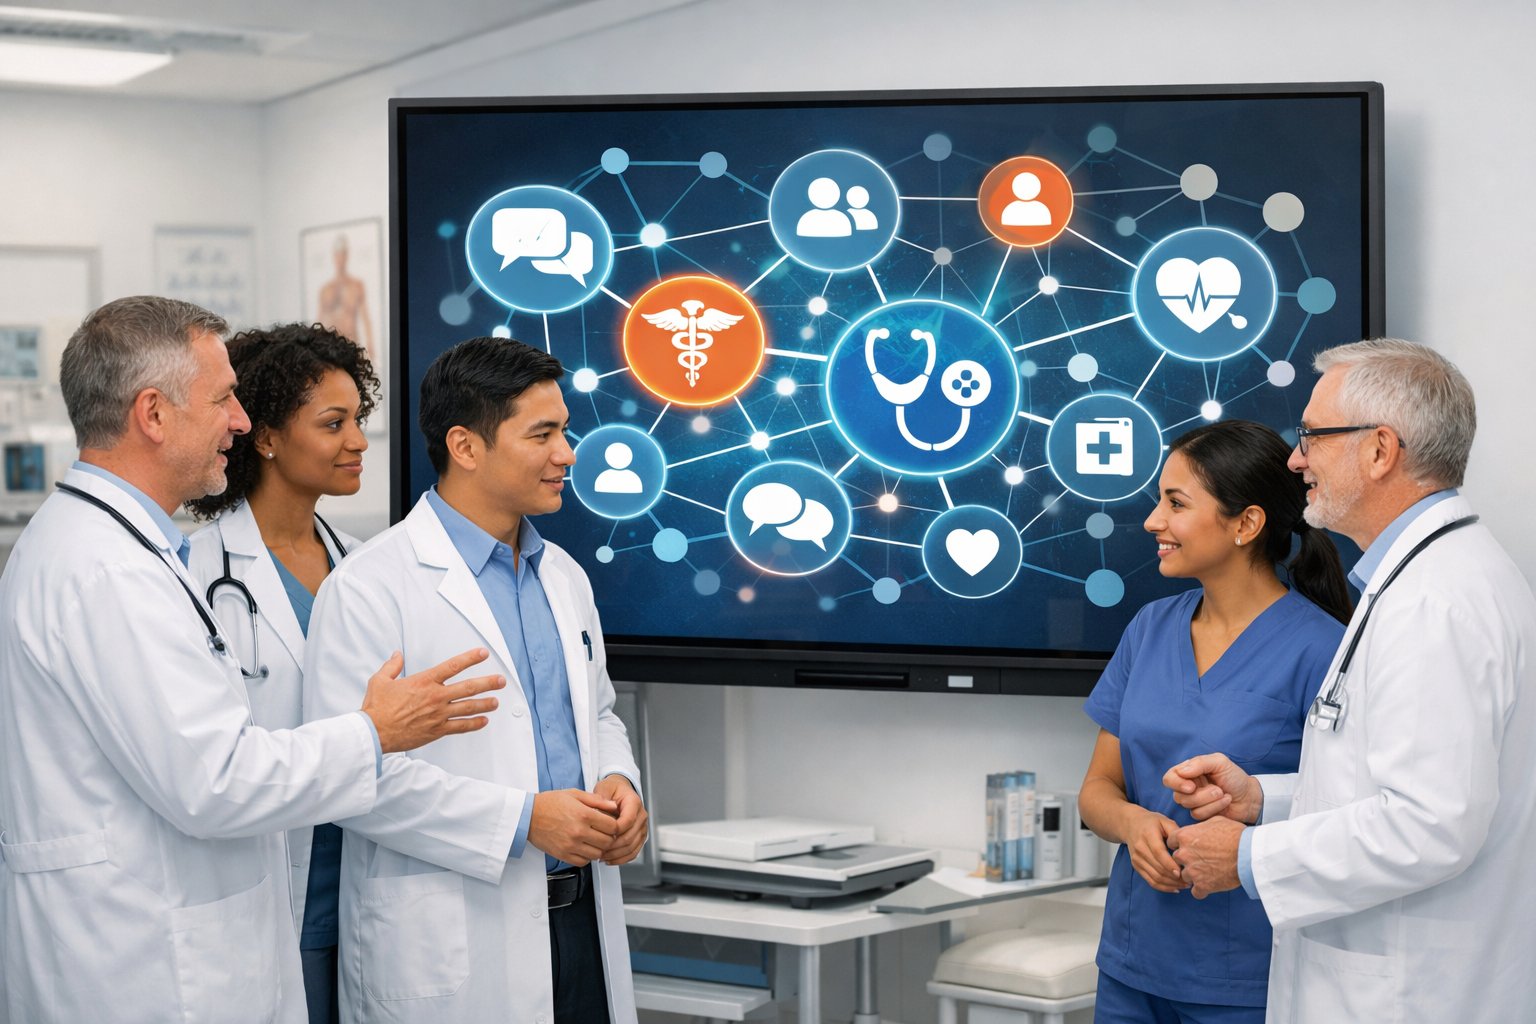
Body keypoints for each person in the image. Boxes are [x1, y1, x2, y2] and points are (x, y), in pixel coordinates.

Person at [0, 296, 504, 1024]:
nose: (239, 420)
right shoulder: (109, 570)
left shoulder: (104, 550)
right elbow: (215, 782)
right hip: (145, 965)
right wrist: (373, 732)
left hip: (165, 941)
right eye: (224, 398)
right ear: (153, 414)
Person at [1166, 339, 1536, 1023]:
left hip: (1407, 995)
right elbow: (1391, 786)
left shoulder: (1436, 599)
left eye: (1311, 435)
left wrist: (1250, 857)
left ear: (1379, 450)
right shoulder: (1418, 580)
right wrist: (1263, 800)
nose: (1295, 458)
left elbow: (1431, 825)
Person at [304, 336, 648, 1024]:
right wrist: (524, 821)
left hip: (580, 919)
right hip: (452, 943)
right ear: (465, 446)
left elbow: (598, 712)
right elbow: (351, 778)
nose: (568, 455)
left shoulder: (565, 577)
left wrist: (620, 783)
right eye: (543, 434)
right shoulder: (371, 589)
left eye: (566, 431)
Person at [1078, 419, 1351, 1023]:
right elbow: (1097, 790)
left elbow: (1349, 816)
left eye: (1176, 503)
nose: (1153, 522)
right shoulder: (1149, 628)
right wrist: (1131, 824)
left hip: (1247, 976)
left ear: (1246, 524)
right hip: (1131, 960)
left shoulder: (1322, 651)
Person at [185, 323, 379, 1024]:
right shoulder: (197, 575)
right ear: (265, 436)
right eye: (334, 423)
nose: (358, 441)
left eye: (358, 419)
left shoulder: (369, 568)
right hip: (266, 894)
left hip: (364, 886)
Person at [315, 233, 374, 360]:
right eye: (337, 254)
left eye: (342, 254)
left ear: (347, 256)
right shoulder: (325, 289)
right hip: (329, 348)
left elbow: (366, 319)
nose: (339, 258)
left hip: (351, 344)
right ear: (333, 256)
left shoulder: (356, 286)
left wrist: (370, 344)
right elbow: (319, 321)